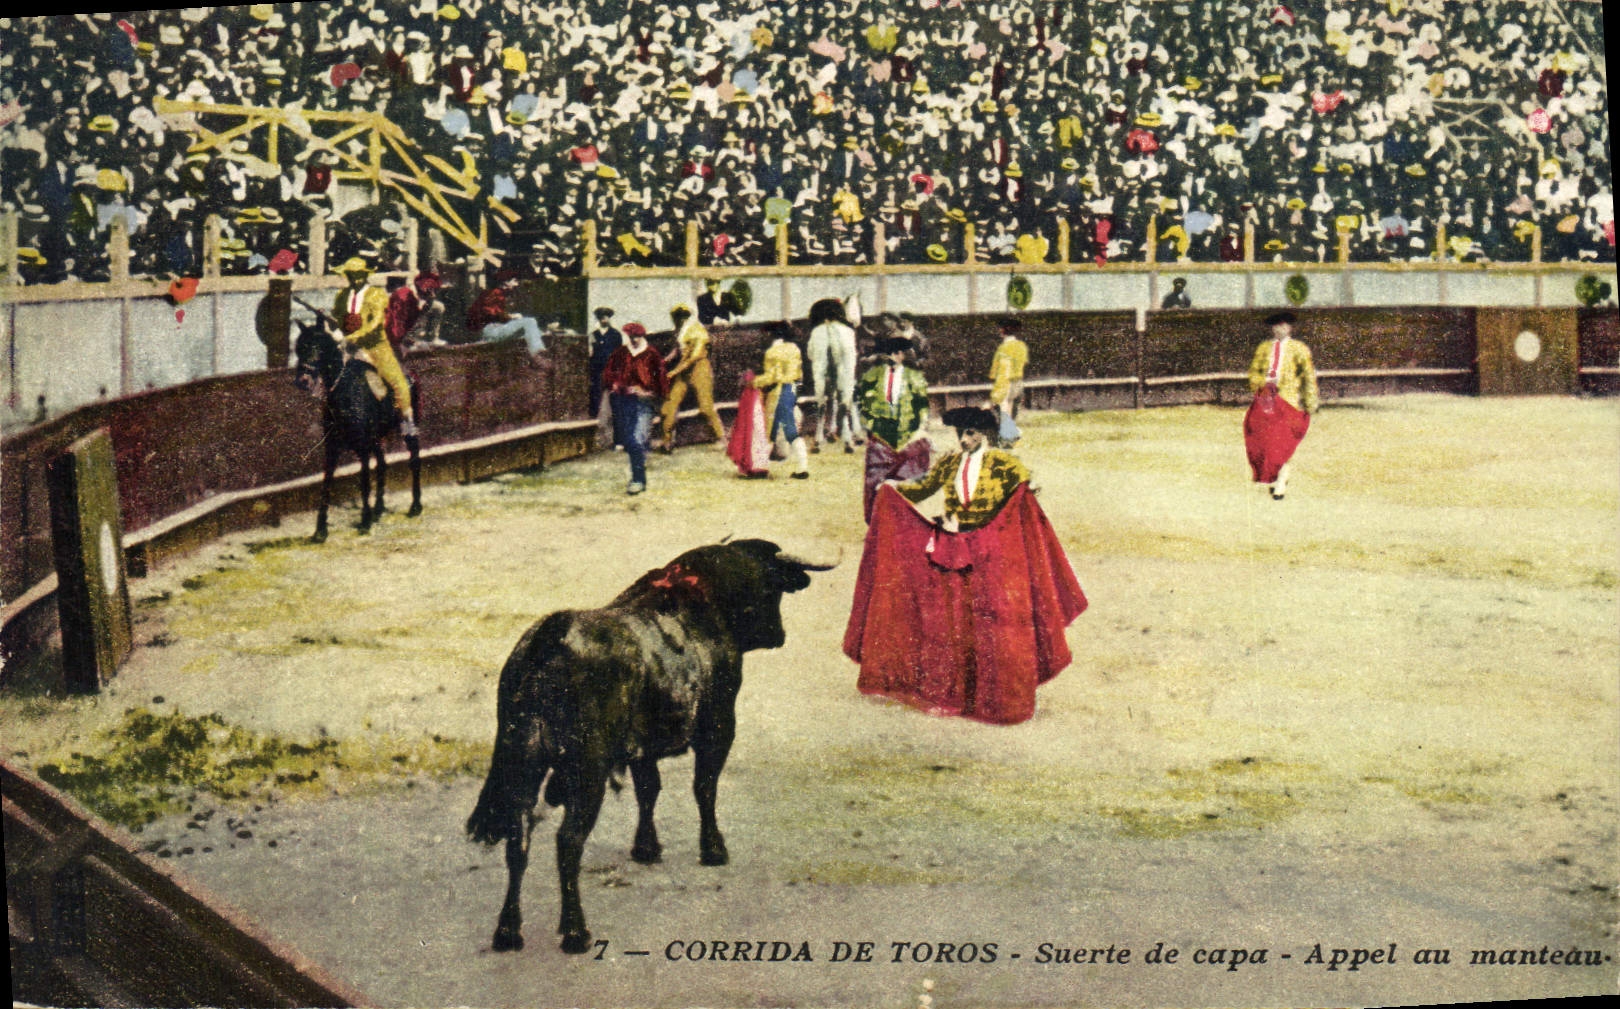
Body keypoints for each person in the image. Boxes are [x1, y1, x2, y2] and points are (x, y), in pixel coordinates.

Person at [845, 406, 1087, 725]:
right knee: (957, 618)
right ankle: (961, 694)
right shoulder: (950, 461)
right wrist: (893, 489)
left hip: (993, 547)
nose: (964, 440)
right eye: (961, 434)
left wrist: (1022, 499)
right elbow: (923, 487)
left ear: (984, 435)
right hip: (955, 543)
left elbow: (1023, 496)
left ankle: (1000, 698)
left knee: (995, 620)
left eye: (970, 434)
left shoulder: (1004, 464)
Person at [332, 257, 416, 436]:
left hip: (374, 346)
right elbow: (339, 317)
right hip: (348, 347)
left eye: (358, 275)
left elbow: (376, 323)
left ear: (365, 275)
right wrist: (337, 330)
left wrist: (354, 336)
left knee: (397, 380)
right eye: (350, 275)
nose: (355, 279)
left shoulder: (376, 295)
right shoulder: (342, 295)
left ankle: (407, 419)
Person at [856, 335, 932, 521]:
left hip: (907, 435)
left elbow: (922, 407)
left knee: (909, 480)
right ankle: (879, 523)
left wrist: (921, 428)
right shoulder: (872, 376)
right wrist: (868, 430)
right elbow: (864, 406)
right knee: (876, 482)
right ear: (898, 354)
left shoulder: (914, 378)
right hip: (881, 436)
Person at [1245, 311, 1319, 500]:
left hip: (1288, 399)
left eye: (1284, 325)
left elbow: (1308, 376)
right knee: (1264, 439)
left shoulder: (1299, 348)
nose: (1280, 328)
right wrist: (1262, 383)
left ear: (1290, 327)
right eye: (1276, 325)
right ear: (1272, 328)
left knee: (1283, 440)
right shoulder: (1264, 348)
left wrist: (1310, 401)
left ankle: (1281, 479)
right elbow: (1254, 372)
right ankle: (1275, 475)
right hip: (1265, 399)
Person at [601, 322, 669, 495]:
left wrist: (652, 394)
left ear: (643, 336)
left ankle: (638, 479)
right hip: (624, 401)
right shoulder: (621, 353)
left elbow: (661, 380)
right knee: (631, 441)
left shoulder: (651, 354)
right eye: (631, 337)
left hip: (644, 403)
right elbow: (609, 373)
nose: (634, 340)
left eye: (637, 337)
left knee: (637, 439)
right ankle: (638, 475)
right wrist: (615, 384)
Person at [659, 303, 727, 452]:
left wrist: (673, 372)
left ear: (686, 316)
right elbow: (678, 350)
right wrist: (664, 361)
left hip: (699, 368)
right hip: (685, 370)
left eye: (681, 316)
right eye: (676, 316)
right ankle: (667, 441)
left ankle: (721, 437)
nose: (678, 319)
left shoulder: (698, 330)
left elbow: (693, 358)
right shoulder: (681, 331)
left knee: (706, 406)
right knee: (670, 405)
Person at [750, 324, 810, 479]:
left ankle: (760, 467)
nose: (763, 338)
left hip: (779, 391)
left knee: (771, 429)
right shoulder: (794, 348)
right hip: (792, 389)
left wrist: (754, 382)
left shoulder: (772, 352)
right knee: (790, 430)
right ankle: (802, 467)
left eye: (765, 335)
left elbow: (772, 377)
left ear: (770, 334)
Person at [807, 297, 863, 454]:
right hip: (844, 371)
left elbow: (811, 355)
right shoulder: (848, 332)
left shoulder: (817, 332)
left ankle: (818, 438)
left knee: (821, 403)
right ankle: (847, 438)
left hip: (822, 371)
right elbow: (852, 358)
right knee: (844, 398)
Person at [466, 273, 546, 355]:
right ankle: (538, 354)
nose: (517, 284)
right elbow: (490, 313)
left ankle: (538, 355)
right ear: (505, 282)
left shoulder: (503, 294)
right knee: (530, 321)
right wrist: (511, 316)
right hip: (491, 331)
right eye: (515, 281)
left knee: (533, 330)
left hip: (498, 329)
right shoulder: (494, 293)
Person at [984, 317, 1029, 446]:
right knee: (1010, 413)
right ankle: (1009, 435)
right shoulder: (1022, 346)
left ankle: (1008, 436)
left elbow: (997, 372)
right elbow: (1023, 363)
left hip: (1006, 382)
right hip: (1019, 383)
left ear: (1002, 331)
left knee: (1004, 412)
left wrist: (996, 391)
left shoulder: (1003, 349)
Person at [385, 272, 446, 355]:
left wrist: (427, 303)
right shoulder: (403, 297)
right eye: (430, 290)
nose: (433, 294)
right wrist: (399, 344)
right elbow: (397, 323)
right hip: (398, 334)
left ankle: (431, 338)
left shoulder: (417, 295)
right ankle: (409, 343)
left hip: (411, 326)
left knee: (437, 306)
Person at [587, 306, 622, 421]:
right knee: (596, 389)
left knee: (612, 389)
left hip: (611, 367)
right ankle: (595, 415)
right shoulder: (594, 334)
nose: (603, 320)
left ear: (609, 318)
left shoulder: (616, 334)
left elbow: (619, 352)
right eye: (601, 317)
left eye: (605, 317)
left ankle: (613, 414)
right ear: (598, 319)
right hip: (597, 367)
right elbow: (590, 350)